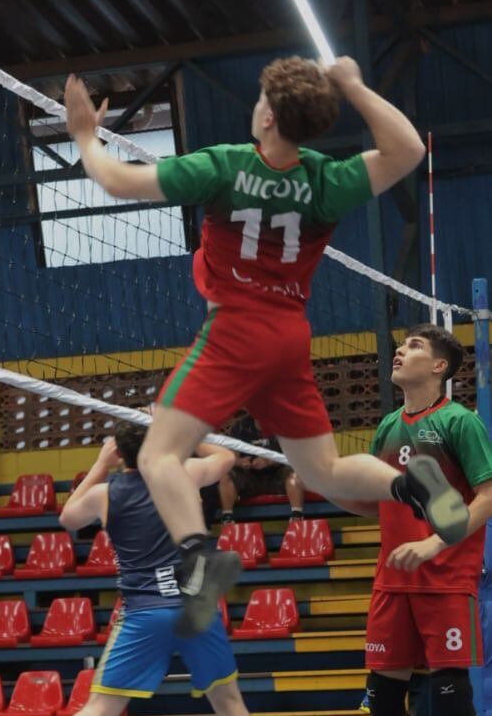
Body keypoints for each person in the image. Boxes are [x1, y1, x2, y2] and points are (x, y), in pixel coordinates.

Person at [64, 58, 469, 634]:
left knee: (157, 455)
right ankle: (412, 483)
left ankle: (200, 557)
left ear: (269, 115)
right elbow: (407, 149)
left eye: (259, 98)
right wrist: (353, 84)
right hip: (288, 333)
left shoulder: (223, 167)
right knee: (323, 470)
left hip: (234, 331)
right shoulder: (326, 179)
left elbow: (115, 180)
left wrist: (82, 133)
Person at [0, 425, 282, 716]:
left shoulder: (106, 492)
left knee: (98, 708)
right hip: (194, 606)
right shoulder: (182, 472)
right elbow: (225, 460)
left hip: (144, 612)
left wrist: (99, 464)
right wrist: (192, 427)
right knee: (229, 703)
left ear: (120, 452)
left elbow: (68, 517)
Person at [331, 325, 492, 716]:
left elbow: (487, 497)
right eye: (402, 346)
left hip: (445, 579)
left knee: (451, 694)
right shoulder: (386, 427)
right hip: (391, 580)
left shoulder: (459, 422)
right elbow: (379, 498)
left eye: (415, 347)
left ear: (440, 367)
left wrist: (433, 544)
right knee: (383, 696)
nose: (400, 351)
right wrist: (327, 482)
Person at [217, 413, 305, 524]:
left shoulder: (283, 424)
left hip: (277, 476)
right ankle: (227, 517)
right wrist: (240, 462)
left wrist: (270, 461)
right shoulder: (240, 426)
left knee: (294, 473)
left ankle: (297, 515)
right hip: (250, 477)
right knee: (227, 474)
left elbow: (294, 455)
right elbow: (232, 456)